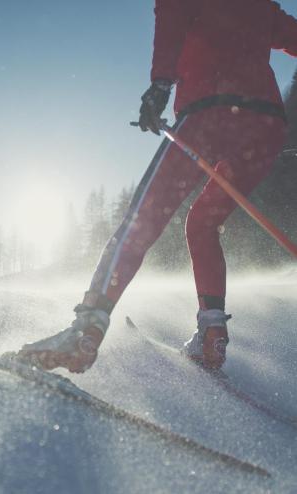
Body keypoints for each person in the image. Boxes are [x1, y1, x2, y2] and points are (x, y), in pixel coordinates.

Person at [17, 0, 297, 372]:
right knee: (202, 223)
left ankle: (85, 331)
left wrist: (159, 86)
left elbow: (171, 17)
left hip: (210, 111)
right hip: (265, 128)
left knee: (142, 219)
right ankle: (212, 333)